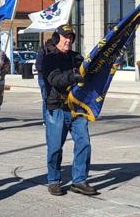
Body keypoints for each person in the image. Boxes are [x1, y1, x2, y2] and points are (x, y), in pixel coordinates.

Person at [42, 24, 99, 197]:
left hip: (77, 109)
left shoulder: (77, 57)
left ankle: (79, 181)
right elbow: (55, 79)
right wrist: (72, 76)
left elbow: (90, 72)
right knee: (55, 148)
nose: (68, 40)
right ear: (56, 38)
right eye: (65, 36)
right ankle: (53, 181)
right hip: (57, 108)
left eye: (71, 37)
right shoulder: (50, 59)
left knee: (84, 143)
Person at [35, 35, 56, 124]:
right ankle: (46, 119)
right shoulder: (42, 52)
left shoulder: (55, 53)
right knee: (46, 99)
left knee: (53, 99)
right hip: (43, 79)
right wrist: (47, 68)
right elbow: (38, 66)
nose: (53, 49)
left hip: (53, 78)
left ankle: (52, 117)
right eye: (52, 47)